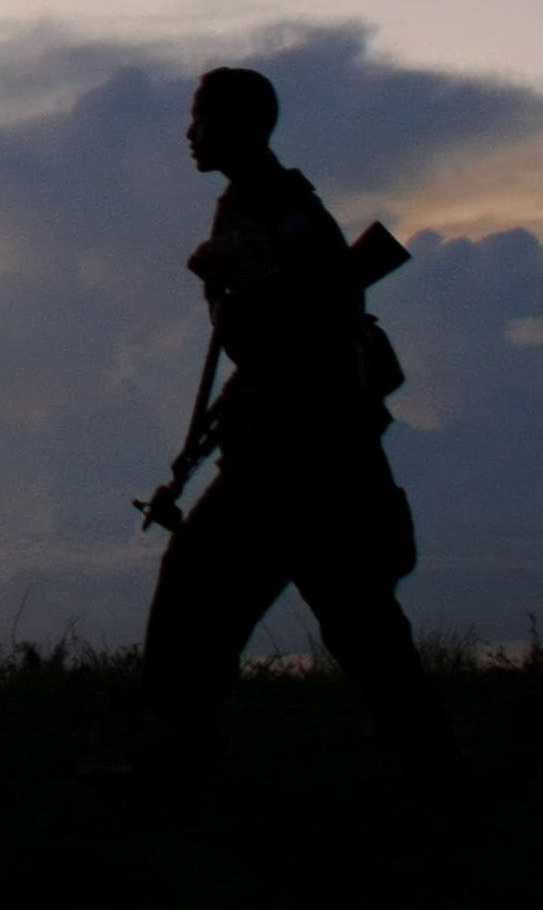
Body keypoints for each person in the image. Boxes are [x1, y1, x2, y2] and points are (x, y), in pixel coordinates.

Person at [139, 69, 457, 777]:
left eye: (202, 118)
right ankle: (432, 762)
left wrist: (238, 277)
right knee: (358, 614)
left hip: (296, 452)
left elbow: (315, 324)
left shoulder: (278, 208)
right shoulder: (253, 203)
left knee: (202, 589)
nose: (189, 134)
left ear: (240, 124)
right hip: (306, 447)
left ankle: (180, 766)